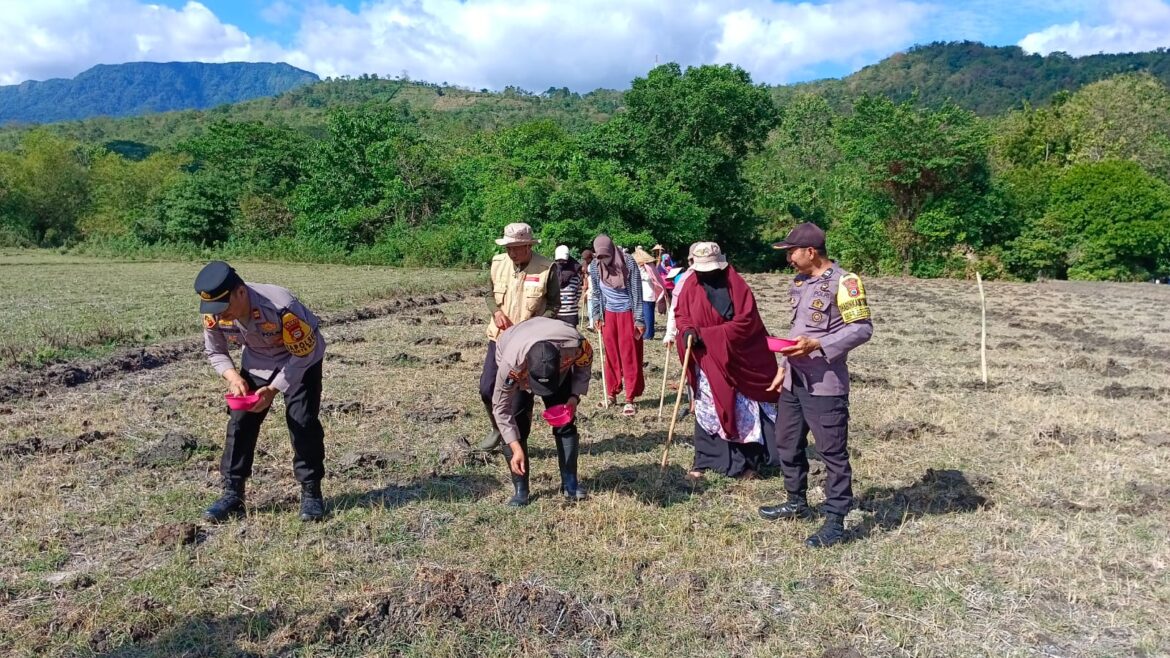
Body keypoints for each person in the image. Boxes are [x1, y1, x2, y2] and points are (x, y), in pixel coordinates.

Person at [758, 222, 873, 549]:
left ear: (811, 251)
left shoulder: (845, 282)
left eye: (791, 252)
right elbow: (799, 329)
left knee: (831, 452)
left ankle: (836, 519)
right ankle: (796, 500)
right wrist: (784, 364)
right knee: (787, 440)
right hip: (794, 379)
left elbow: (862, 329)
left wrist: (819, 345)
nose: (788, 259)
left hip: (825, 383)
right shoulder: (800, 281)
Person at [196, 261, 328, 523]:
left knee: (302, 421)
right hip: (257, 361)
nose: (222, 316)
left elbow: (303, 354)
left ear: (241, 293)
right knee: (240, 422)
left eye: (226, 308)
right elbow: (215, 350)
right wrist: (232, 377)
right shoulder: (214, 312)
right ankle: (232, 494)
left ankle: (311, 493)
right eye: (216, 310)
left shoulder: (281, 305)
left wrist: (275, 388)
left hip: (300, 358)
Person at [673, 243, 780, 480]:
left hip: (740, 359)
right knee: (709, 406)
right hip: (707, 360)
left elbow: (746, 323)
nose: (706, 275)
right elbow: (682, 314)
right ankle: (708, 459)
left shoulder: (737, 286)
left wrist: (707, 334)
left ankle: (749, 462)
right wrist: (689, 330)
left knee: (743, 409)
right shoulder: (691, 284)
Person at [491, 316, 593, 506]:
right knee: (517, 422)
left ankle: (570, 483)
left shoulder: (577, 345)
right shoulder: (511, 365)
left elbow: (584, 368)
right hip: (516, 349)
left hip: (557, 365)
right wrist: (514, 446)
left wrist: (574, 396)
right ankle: (521, 490)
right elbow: (500, 407)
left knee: (565, 420)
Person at [478, 223, 560, 451]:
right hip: (499, 338)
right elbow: (488, 294)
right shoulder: (497, 264)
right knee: (487, 388)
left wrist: (534, 327)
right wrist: (496, 311)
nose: (511, 253)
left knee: (519, 397)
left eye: (516, 248)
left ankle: (516, 442)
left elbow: (554, 306)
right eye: (508, 248)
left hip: (527, 344)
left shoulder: (547, 268)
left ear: (528, 246)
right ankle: (498, 428)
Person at [588, 234, 645, 416]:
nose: (604, 260)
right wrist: (596, 314)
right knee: (611, 354)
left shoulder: (628, 262)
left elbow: (637, 291)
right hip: (609, 314)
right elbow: (596, 292)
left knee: (629, 354)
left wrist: (639, 318)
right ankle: (611, 393)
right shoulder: (595, 266)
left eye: (606, 256)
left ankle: (629, 398)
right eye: (600, 256)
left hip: (627, 312)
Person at [634, 246, 666, 340]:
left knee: (648, 315)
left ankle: (648, 334)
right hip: (645, 294)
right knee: (646, 314)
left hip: (648, 294)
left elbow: (649, 278)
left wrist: (640, 274)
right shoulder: (649, 268)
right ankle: (648, 333)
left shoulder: (648, 269)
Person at [554, 245, 584, 327]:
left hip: (571, 315)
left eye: (564, 261)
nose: (561, 263)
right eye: (559, 261)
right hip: (556, 314)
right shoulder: (553, 275)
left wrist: (572, 304)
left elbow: (578, 292)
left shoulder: (575, 275)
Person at [580, 249, 595, 330]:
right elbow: (584, 276)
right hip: (589, 288)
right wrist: (585, 285)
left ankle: (593, 324)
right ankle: (591, 322)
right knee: (589, 307)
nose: (585, 260)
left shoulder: (595, 264)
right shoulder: (585, 265)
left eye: (586, 259)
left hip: (594, 288)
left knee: (592, 306)